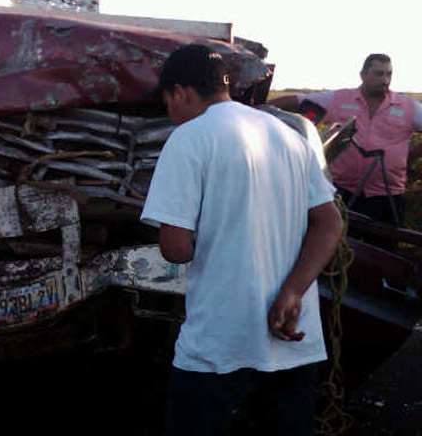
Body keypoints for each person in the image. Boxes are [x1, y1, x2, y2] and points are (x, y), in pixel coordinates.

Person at [140, 44, 343, 436]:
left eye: (167, 101)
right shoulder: (287, 136)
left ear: (180, 91)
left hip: (221, 338)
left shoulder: (189, 139)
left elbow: (175, 249)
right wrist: (290, 292)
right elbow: (329, 224)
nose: (169, 112)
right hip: (293, 333)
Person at [269, 54, 422, 226]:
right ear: (363, 75)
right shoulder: (339, 99)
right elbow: (297, 101)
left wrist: (412, 156)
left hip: (387, 196)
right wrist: (254, 111)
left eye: (389, 74)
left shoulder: (407, 106)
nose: (385, 80)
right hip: (341, 192)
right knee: (341, 245)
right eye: (379, 74)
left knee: (383, 249)